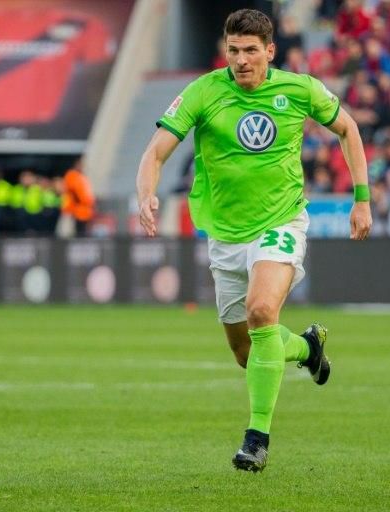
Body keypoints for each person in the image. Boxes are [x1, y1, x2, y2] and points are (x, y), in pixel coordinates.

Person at [135, 9, 371, 472]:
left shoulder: (299, 89)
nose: (241, 60)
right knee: (247, 353)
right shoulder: (204, 91)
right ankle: (306, 348)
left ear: (270, 51)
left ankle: (256, 439)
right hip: (224, 234)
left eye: (250, 51)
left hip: (280, 222)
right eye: (233, 50)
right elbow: (157, 149)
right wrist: (146, 192)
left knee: (263, 311)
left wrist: (362, 198)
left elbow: (348, 129)